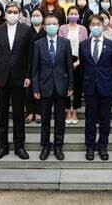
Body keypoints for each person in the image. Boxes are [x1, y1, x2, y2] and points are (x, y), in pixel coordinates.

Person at [0, 3, 34, 160]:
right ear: (5, 14)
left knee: (18, 114)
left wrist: (28, 76)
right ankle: (3, 146)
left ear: (19, 14)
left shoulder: (26, 30)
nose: (12, 14)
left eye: (15, 12)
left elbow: (30, 55)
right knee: (2, 114)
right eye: (10, 11)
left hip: (19, 77)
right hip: (2, 77)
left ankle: (19, 146)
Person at [32, 15, 74, 161]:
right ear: (44, 27)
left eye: (54, 23)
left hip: (61, 86)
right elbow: (35, 69)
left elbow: (69, 66)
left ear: (58, 26)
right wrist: (35, 88)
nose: (51, 26)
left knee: (60, 119)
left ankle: (58, 146)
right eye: (49, 24)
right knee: (45, 119)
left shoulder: (65, 43)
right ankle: (45, 146)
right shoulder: (38, 44)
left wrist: (70, 85)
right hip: (44, 86)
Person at [79, 14, 112, 161]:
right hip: (90, 86)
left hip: (106, 86)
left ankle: (102, 146)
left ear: (103, 25)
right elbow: (82, 66)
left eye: (98, 24)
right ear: (89, 26)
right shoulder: (83, 45)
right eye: (93, 24)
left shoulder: (111, 45)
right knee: (90, 118)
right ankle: (90, 146)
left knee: (105, 118)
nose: (96, 27)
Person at [59, 6, 88, 125]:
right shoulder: (62, 28)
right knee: (65, 86)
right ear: (67, 15)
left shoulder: (83, 28)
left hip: (79, 60)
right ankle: (67, 111)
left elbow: (85, 46)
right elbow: (60, 45)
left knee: (77, 87)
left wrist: (79, 61)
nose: (73, 15)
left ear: (78, 16)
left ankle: (74, 111)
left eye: (75, 13)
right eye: (71, 13)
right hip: (64, 60)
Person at [26, 8, 46, 123]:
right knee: (28, 88)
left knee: (41, 87)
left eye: (38, 15)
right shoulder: (27, 31)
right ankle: (30, 112)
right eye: (34, 15)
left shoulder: (46, 31)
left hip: (43, 63)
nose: (36, 18)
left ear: (42, 17)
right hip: (29, 62)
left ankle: (39, 112)